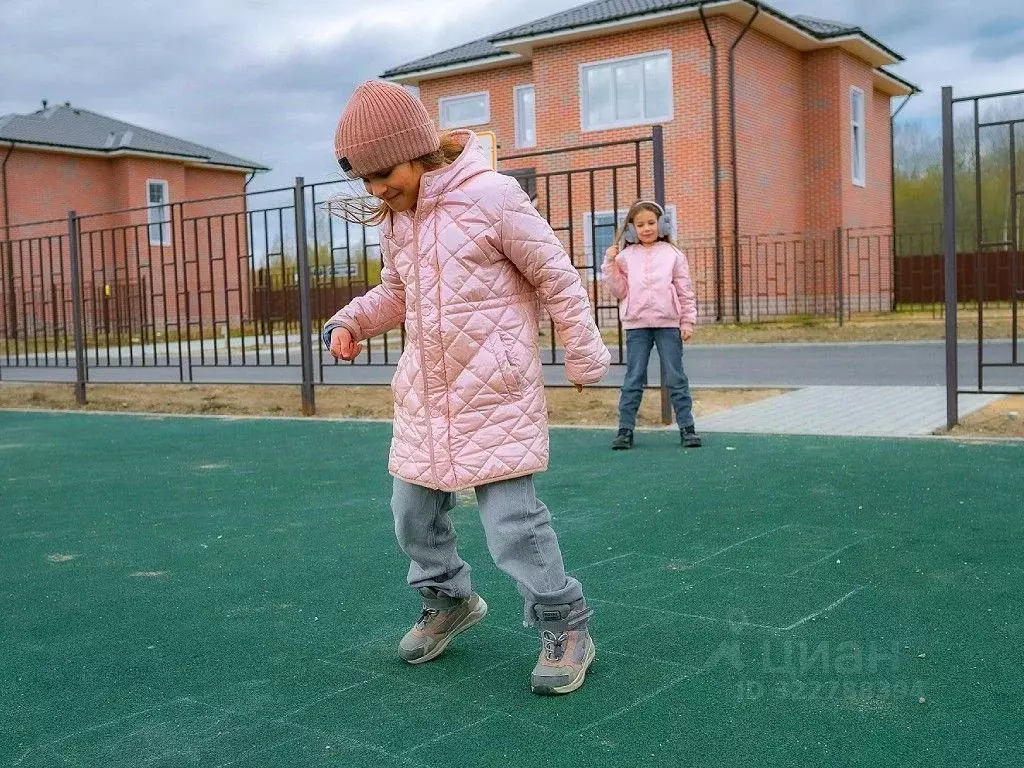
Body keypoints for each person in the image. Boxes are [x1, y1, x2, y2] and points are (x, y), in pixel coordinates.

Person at [322, 80, 610, 695]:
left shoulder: (493, 197)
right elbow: (397, 292)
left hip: (494, 392)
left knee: (513, 524)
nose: (376, 190)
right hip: (427, 397)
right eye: (365, 180)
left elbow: (556, 277)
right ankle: (448, 599)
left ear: (418, 150)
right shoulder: (398, 221)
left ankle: (566, 624)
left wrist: (584, 353)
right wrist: (353, 319)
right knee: (411, 515)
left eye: (383, 173)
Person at [601, 200, 701, 450]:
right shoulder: (624, 257)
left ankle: (687, 428)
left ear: (662, 225)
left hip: (669, 325)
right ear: (632, 229)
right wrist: (609, 265)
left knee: (676, 377)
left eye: (651, 223)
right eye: (640, 224)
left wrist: (687, 321)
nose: (646, 228)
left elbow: (684, 290)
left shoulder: (674, 255)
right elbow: (620, 290)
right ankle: (625, 431)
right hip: (637, 327)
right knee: (633, 377)